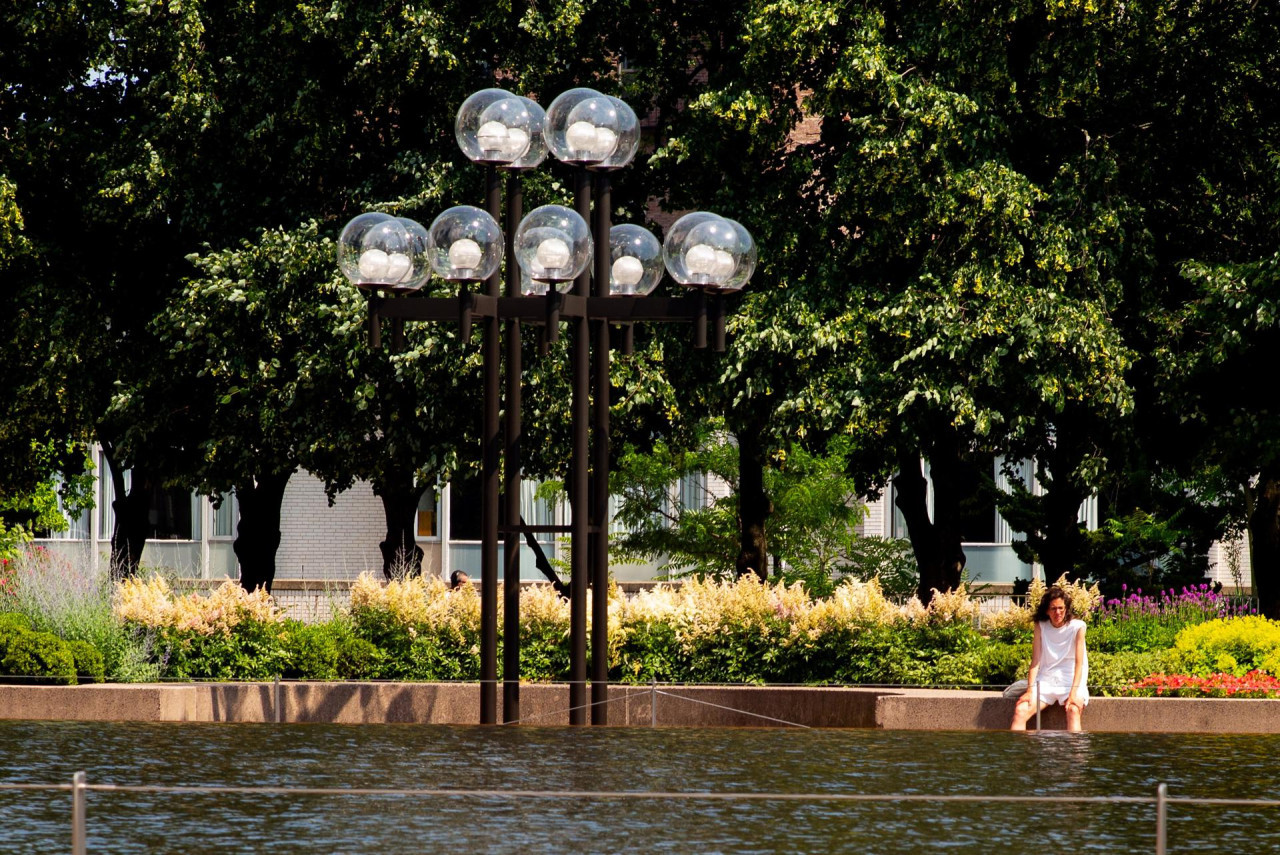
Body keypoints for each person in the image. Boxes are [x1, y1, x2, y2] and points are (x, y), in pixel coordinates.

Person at [1010, 585, 1089, 732]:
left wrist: (1073, 693)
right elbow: (1035, 661)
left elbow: (1080, 664)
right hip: (1045, 680)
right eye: (1053, 609)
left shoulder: (1078, 627)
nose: (1057, 612)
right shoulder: (1041, 625)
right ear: (1047, 610)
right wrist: (1029, 690)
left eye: (1061, 608)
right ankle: (1019, 747)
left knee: (1073, 710)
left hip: (1070, 680)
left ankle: (1075, 747)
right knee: (1020, 710)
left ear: (1066, 608)